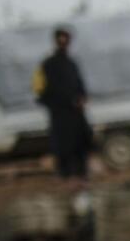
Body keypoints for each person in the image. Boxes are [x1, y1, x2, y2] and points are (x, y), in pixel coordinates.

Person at [33, 26, 92, 184]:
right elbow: (41, 90)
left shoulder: (71, 63)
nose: (64, 43)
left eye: (66, 40)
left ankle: (81, 173)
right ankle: (65, 174)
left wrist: (81, 98)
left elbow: (79, 85)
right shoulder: (48, 64)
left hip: (75, 113)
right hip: (59, 113)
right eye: (61, 40)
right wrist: (57, 102)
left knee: (80, 142)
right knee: (63, 145)